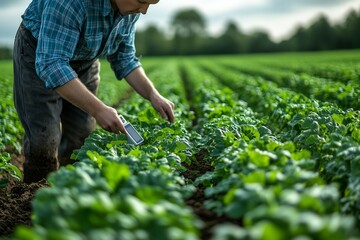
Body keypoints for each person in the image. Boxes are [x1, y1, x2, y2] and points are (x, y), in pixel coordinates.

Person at [13, 0, 175, 183]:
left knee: (82, 138)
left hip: (85, 61)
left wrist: (153, 94)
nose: (144, 11)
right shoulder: (70, 3)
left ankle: (71, 191)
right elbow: (51, 64)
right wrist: (99, 110)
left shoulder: (129, 10)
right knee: (43, 142)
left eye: (150, 4)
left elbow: (125, 58)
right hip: (40, 56)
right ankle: (35, 200)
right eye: (142, 1)